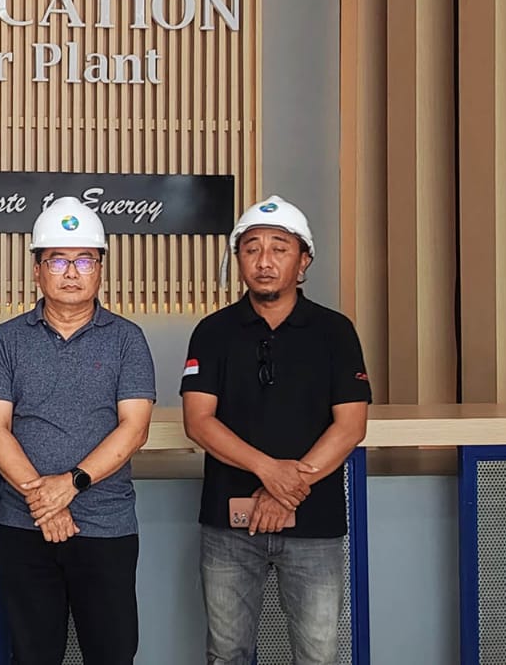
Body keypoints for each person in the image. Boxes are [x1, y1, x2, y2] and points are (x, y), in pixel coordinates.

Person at [181, 195, 371, 665]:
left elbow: (350, 426)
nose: (264, 261)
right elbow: (198, 421)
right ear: (238, 258)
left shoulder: (335, 331)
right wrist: (271, 472)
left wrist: (286, 491)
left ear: (303, 261)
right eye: (252, 249)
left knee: (318, 655)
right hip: (228, 524)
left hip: (315, 523)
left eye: (279, 249)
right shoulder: (213, 331)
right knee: (227, 653)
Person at [0, 197, 156, 665]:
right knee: (32, 655)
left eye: (84, 260)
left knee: (112, 654)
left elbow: (134, 428)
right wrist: (44, 501)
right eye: (57, 260)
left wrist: (70, 484)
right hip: (25, 525)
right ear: (37, 270)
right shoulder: (6, 340)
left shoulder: (127, 339)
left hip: (107, 526)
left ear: (100, 269)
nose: (71, 272)